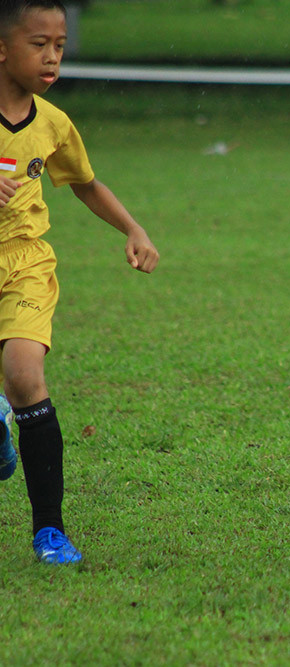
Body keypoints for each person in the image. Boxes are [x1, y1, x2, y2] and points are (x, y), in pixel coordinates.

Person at [0, 0, 159, 564]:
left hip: (24, 261)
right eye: (37, 44)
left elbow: (86, 183)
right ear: (2, 47)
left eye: (60, 46)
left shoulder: (52, 123)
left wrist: (133, 227)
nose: (51, 57)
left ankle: (49, 530)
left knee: (23, 374)